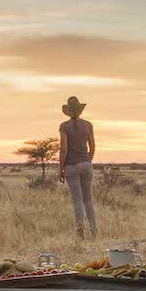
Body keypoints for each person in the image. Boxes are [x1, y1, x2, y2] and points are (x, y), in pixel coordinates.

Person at [58, 96, 98, 236]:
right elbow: (92, 146)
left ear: (68, 111)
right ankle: (94, 229)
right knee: (88, 199)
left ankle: (80, 229)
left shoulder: (64, 126)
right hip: (86, 163)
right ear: (80, 110)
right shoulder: (88, 125)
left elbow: (64, 149)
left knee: (77, 200)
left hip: (71, 166)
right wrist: (88, 160)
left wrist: (61, 168)